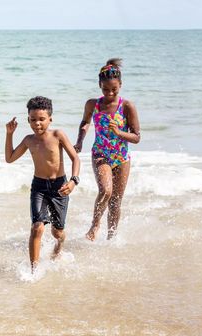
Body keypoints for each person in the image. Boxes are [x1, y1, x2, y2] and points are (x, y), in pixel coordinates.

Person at [5, 96, 80, 273]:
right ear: (28, 120)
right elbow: (9, 158)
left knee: (57, 232)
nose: (37, 123)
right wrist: (9, 135)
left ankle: (59, 245)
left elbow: (75, 158)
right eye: (33, 120)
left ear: (50, 119)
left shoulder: (58, 135)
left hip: (60, 187)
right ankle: (34, 270)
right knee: (37, 227)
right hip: (38, 187)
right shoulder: (28, 140)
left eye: (41, 119)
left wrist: (73, 181)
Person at [73, 58, 141, 241]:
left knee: (116, 202)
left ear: (120, 85)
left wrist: (118, 132)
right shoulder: (92, 104)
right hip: (100, 154)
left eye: (114, 90)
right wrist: (79, 141)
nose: (110, 93)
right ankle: (95, 225)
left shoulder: (127, 106)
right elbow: (85, 122)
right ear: (99, 85)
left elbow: (136, 137)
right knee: (106, 190)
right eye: (105, 89)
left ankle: (111, 238)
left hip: (122, 157)